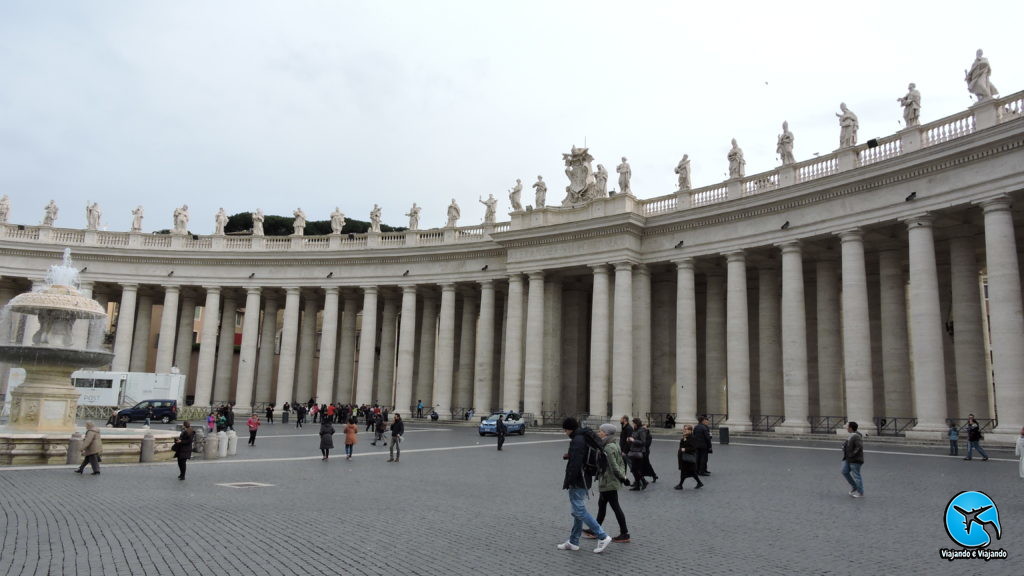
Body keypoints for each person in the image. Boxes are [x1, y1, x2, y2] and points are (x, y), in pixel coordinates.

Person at [557, 417, 612, 553]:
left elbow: (575, 464)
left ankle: (602, 536)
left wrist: (568, 481)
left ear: (569, 429)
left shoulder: (577, 440)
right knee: (577, 512)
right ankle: (573, 541)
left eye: (565, 429)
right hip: (584, 477)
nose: (565, 432)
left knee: (579, 510)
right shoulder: (583, 438)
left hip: (578, 479)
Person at [583, 423, 631, 543]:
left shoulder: (608, 447)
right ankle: (595, 529)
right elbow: (621, 462)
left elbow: (614, 466)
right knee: (602, 506)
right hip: (609, 481)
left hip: (609, 481)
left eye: (600, 431)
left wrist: (623, 478)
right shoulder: (615, 444)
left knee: (615, 507)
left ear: (605, 433)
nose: (599, 433)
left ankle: (624, 533)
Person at [675, 424, 703, 490]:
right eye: (684, 429)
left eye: (686, 429)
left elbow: (694, 447)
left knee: (684, 472)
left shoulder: (692, 438)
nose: (684, 430)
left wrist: (685, 449)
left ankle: (680, 485)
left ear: (690, 431)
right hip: (684, 458)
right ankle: (699, 483)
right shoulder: (685, 437)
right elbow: (682, 445)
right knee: (692, 473)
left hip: (687, 458)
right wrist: (684, 439)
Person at [841, 421, 864, 498]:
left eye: (847, 426)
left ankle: (860, 492)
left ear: (851, 428)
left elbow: (859, 447)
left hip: (855, 459)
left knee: (856, 475)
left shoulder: (856, 436)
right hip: (848, 459)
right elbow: (847, 444)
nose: (847, 428)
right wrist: (844, 446)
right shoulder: (851, 435)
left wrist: (852, 454)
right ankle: (854, 487)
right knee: (844, 471)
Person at [625, 418, 649, 490]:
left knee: (636, 469)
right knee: (634, 469)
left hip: (639, 452)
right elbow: (633, 439)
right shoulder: (635, 430)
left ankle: (642, 483)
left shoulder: (641, 430)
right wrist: (629, 440)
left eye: (634, 423)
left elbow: (643, 442)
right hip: (633, 451)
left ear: (637, 423)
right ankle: (639, 484)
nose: (633, 425)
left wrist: (634, 440)